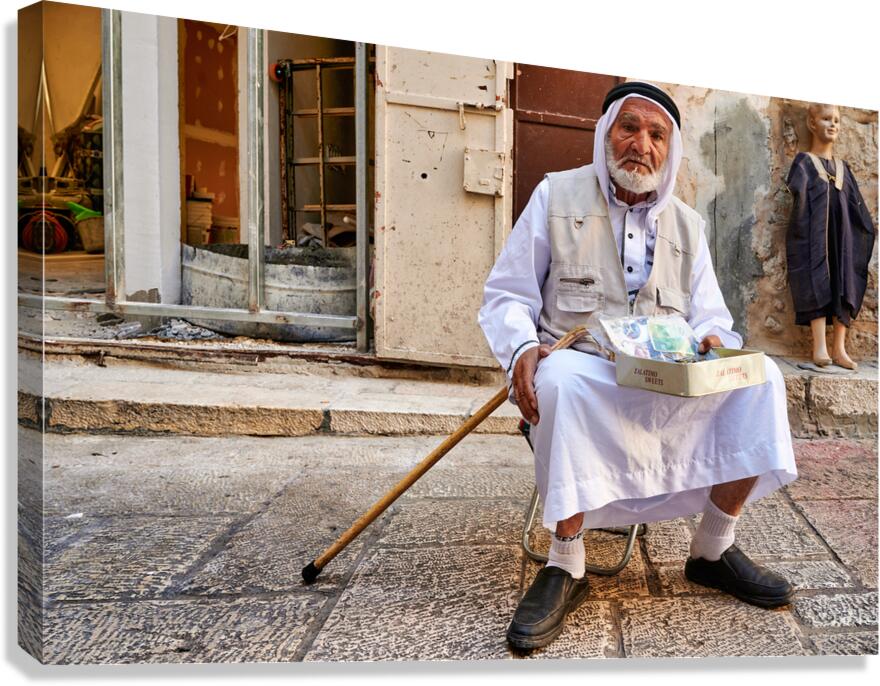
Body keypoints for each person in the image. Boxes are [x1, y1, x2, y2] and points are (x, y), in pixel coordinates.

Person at [478, 82, 798, 651]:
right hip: (584, 369)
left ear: (669, 151)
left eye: (656, 135)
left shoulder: (687, 226)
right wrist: (521, 349)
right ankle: (566, 562)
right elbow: (507, 294)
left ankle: (712, 549)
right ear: (606, 133)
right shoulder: (556, 196)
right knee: (563, 385)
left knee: (763, 378)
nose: (640, 145)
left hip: (666, 380)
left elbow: (712, 319)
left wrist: (715, 346)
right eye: (629, 128)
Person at [785, 103, 876, 370]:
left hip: (844, 239)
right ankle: (819, 347)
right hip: (815, 238)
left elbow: (856, 206)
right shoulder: (804, 163)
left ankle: (839, 347)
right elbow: (797, 197)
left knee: (845, 280)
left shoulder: (843, 168)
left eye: (836, 119)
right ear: (812, 123)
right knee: (816, 278)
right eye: (826, 119)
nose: (833, 124)